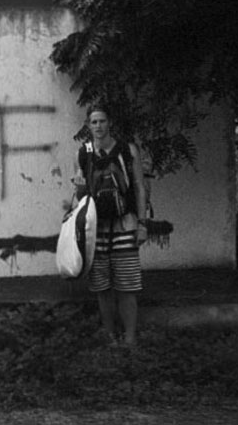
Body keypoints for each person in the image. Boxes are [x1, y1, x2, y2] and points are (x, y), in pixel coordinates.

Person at [72, 104, 147, 346]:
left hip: (125, 224)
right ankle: (110, 337)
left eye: (102, 121)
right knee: (102, 288)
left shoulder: (127, 150)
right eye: (94, 122)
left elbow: (139, 186)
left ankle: (130, 338)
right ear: (88, 125)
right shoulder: (83, 153)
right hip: (96, 230)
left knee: (127, 287)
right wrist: (79, 186)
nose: (98, 126)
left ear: (109, 122)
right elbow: (80, 194)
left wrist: (143, 223)